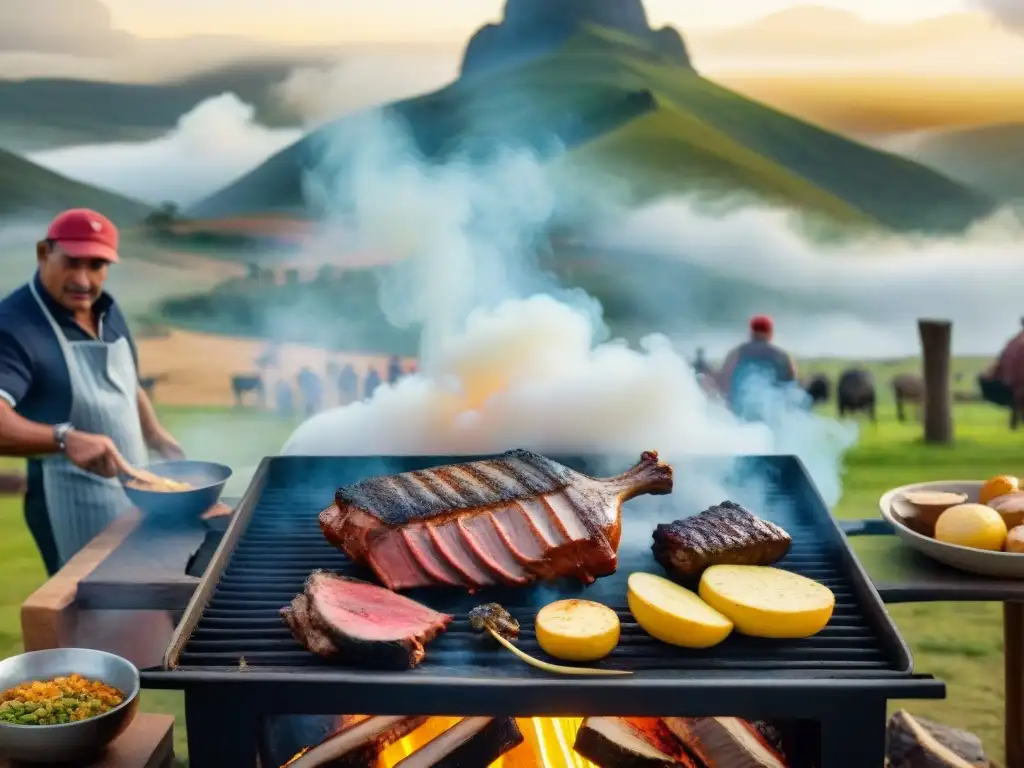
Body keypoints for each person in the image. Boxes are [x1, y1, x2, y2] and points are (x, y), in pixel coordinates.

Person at [0, 209, 184, 576]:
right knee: (93, 621)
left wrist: (155, 434)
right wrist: (64, 438)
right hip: (71, 508)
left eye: (97, 265)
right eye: (71, 262)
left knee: (145, 609)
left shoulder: (107, 309)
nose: (83, 280)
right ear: (43, 253)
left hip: (136, 495)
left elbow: (126, 381)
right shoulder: (15, 327)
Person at [716, 314, 798, 418]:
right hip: (774, 410)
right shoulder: (781, 356)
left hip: (739, 410)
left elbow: (723, 381)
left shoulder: (736, 353)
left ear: (751, 332)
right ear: (770, 333)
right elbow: (791, 385)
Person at [981, 318, 1024, 428]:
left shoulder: (1014, 341)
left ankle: (1014, 425)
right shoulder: (1018, 342)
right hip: (1016, 383)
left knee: (1017, 402)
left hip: (1009, 383)